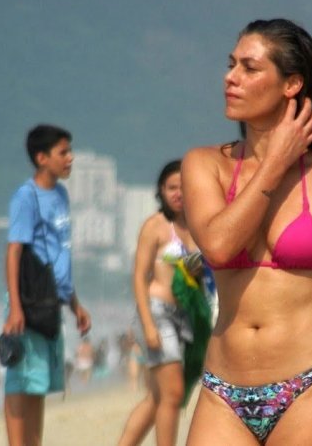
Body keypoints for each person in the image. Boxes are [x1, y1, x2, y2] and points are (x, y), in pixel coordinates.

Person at [181, 19, 312, 445]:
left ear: (291, 84)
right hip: (223, 390)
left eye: (249, 68)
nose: (231, 77)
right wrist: (274, 162)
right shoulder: (204, 165)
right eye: (230, 65)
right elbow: (220, 247)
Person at [2, 124, 92, 446]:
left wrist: (75, 303)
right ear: (42, 158)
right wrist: (15, 307)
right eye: (63, 152)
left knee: (38, 384)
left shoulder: (61, 194)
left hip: (53, 299)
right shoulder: (26, 197)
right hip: (27, 299)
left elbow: (59, 256)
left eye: (70, 151)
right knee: (21, 378)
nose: (70, 158)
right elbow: (14, 252)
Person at [118, 160, 201, 446]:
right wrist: (148, 325)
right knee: (173, 393)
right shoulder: (155, 226)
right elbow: (139, 277)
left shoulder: (198, 225)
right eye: (171, 187)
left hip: (185, 317)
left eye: (183, 186)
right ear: (161, 192)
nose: (178, 193)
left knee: (156, 399)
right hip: (157, 313)